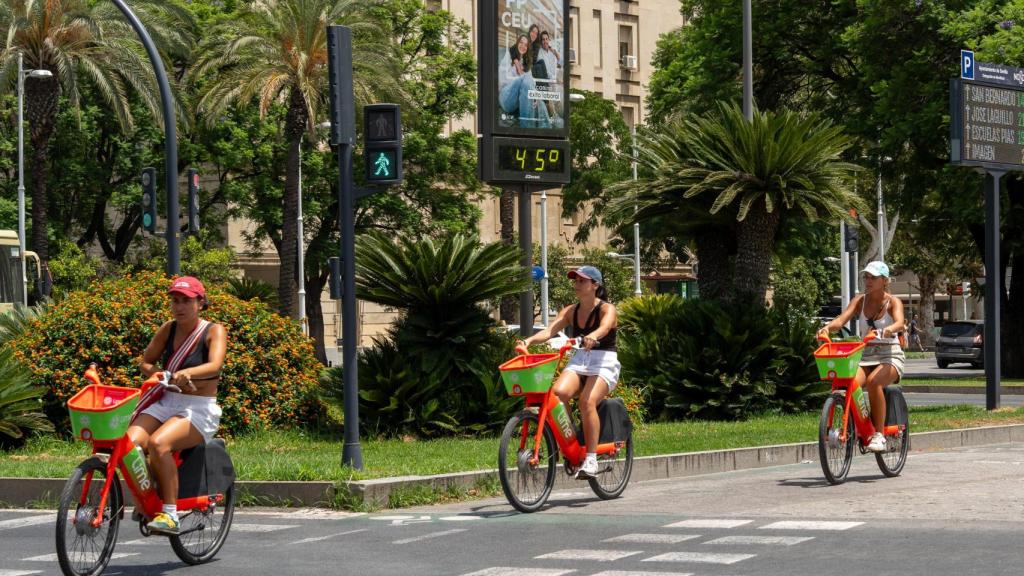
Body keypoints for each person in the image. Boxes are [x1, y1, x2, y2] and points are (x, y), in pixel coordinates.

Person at [128, 276, 227, 534]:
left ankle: (170, 514)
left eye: (186, 301)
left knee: (158, 444)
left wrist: (190, 373)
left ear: (201, 303)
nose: (179, 307)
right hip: (166, 399)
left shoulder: (213, 330)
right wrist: (158, 372)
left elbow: (215, 365)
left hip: (198, 407)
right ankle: (149, 496)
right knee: (129, 445)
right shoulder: (168, 329)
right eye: (175, 301)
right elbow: (145, 362)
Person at [517, 266, 620, 478]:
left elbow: (606, 327)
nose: (577, 284)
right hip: (581, 359)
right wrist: (528, 340)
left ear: (595, 285)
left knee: (586, 402)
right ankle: (572, 440)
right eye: (576, 280)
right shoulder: (571, 311)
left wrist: (593, 335)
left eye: (582, 281)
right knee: (557, 393)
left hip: (604, 362)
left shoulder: (606, 309)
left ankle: (591, 459)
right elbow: (549, 331)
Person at [817, 261, 906, 453]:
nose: (868, 280)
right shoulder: (860, 300)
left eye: (873, 277)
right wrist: (826, 328)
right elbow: (841, 320)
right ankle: (860, 426)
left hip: (889, 355)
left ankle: (879, 435)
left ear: (884, 281)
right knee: (849, 382)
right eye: (866, 276)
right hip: (865, 355)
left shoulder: (893, 302)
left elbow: (899, 323)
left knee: (874, 382)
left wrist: (887, 330)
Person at [498, 33, 550, 129]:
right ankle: (527, 128)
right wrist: (520, 78)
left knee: (538, 98)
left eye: (526, 45)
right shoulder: (509, 55)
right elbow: (502, 79)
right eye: (521, 43)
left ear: (527, 48)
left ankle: (546, 128)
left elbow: (529, 84)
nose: (523, 46)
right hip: (505, 97)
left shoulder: (526, 63)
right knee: (526, 79)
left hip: (518, 101)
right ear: (517, 43)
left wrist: (534, 96)